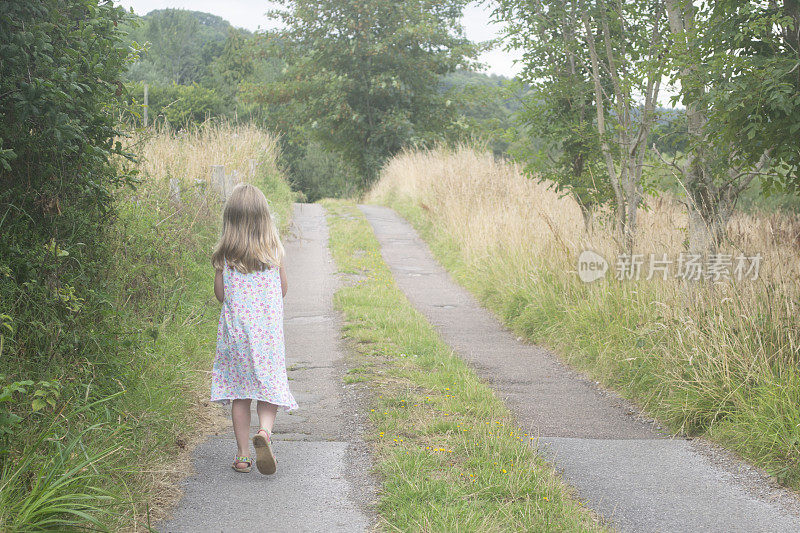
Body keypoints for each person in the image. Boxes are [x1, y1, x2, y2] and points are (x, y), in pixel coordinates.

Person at [209, 183, 298, 475]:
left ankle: (244, 455)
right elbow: (283, 289)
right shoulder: (274, 251)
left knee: (240, 394)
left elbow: (221, 296)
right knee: (269, 389)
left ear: (230, 221)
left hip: (236, 337)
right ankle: (265, 433)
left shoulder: (225, 256)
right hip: (268, 337)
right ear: (264, 218)